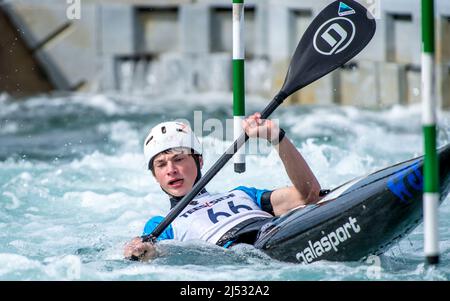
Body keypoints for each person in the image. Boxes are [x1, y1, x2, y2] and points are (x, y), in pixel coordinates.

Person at [124, 112, 322, 261]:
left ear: (199, 161)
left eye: (179, 159)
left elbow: (309, 194)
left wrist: (276, 137)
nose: (171, 170)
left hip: (282, 230)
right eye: (161, 165)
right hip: (251, 254)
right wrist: (137, 249)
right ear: (155, 176)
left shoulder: (242, 194)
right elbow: (148, 254)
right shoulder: (162, 224)